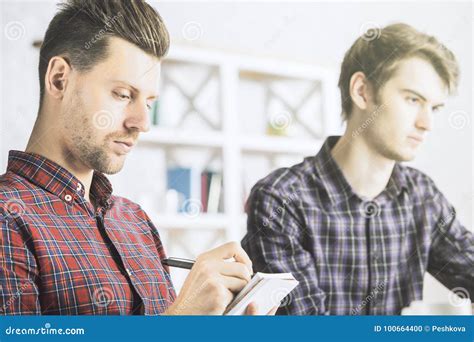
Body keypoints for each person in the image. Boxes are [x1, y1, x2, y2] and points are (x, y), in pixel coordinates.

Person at [0, 0, 277, 316]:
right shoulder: (7, 218)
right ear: (60, 79)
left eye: (148, 102)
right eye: (123, 95)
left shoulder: (135, 222)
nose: (141, 123)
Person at [242, 23, 473, 315]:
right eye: (413, 99)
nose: (427, 124)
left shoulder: (422, 196)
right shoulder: (280, 200)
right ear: (362, 91)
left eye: (434, 108)